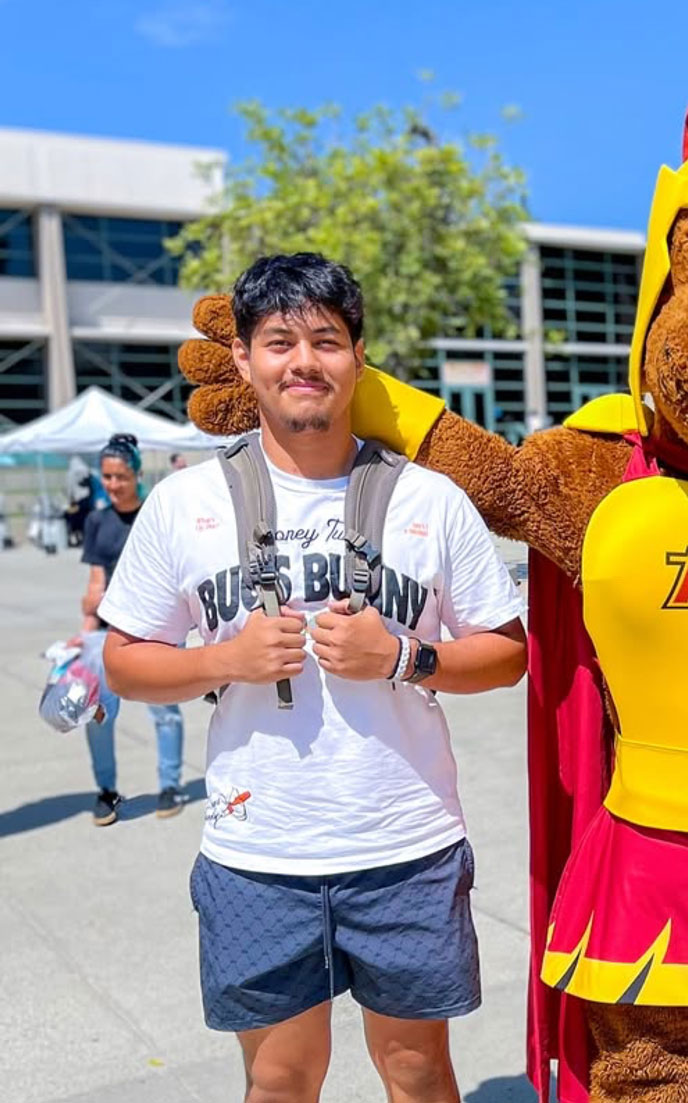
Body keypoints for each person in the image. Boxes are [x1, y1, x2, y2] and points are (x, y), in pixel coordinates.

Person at [100, 254, 528, 1103]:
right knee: (281, 1079)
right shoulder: (184, 506)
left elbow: (508, 651)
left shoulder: (431, 499)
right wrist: (223, 660)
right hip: (258, 852)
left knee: (417, 1071)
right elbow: (122, 660)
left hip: (406, 845)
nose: (304, 361)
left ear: (358, 357)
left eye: (327, 340)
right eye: (280, 340)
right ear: (244, 361)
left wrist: (405, 656)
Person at [79, 433, 186, 825]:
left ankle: (171, 784)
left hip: (158, 629)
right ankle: (106, 790)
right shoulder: (96, 520)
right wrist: (85, 632)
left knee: (164, 711)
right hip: (110, 631)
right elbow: (94, 585)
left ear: (138, 474)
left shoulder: (156, 512)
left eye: (120, 476)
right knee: (98, 713)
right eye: (106, 477)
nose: (112, 485)